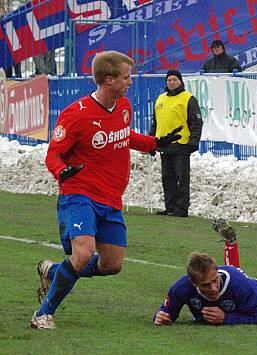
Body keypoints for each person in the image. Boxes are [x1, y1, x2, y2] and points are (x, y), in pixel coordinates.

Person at [31, 51, 183, 329]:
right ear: (108, 80)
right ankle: (43, 313)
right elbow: (53, 154)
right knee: (84, 253)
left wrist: (155, 142)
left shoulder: (123, 106)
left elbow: (125, 135)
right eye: (126, 77)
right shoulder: (76, 115)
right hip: (79, 193)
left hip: (111, 198)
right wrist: (61, 171)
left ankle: (54, 271)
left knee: (112, 264)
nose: (130, 82)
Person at [149, 70, 203, 217]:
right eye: (169, 80)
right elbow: (155, 122)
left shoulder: (188, 98)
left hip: (181, 144)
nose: (171, 82)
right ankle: (170, 207)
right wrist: (150, 141)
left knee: (182, 178)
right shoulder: (160, 99)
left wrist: (193, 142)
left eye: (174, 80)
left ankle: (181, 209)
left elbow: (196, 122)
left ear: (180, 81)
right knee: (167, 178)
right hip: (164, 144)